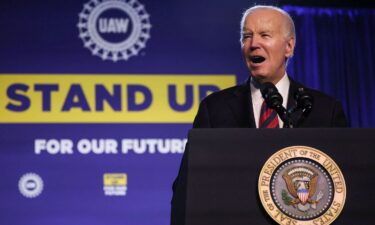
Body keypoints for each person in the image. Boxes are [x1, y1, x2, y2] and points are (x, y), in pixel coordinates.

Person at [170, 5, 348, 225]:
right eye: (247, 36)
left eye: (265, 35)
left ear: (289, 47)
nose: (254, 44)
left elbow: (346, 185)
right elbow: (187, 186)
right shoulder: (214, 108)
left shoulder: (324, 109)